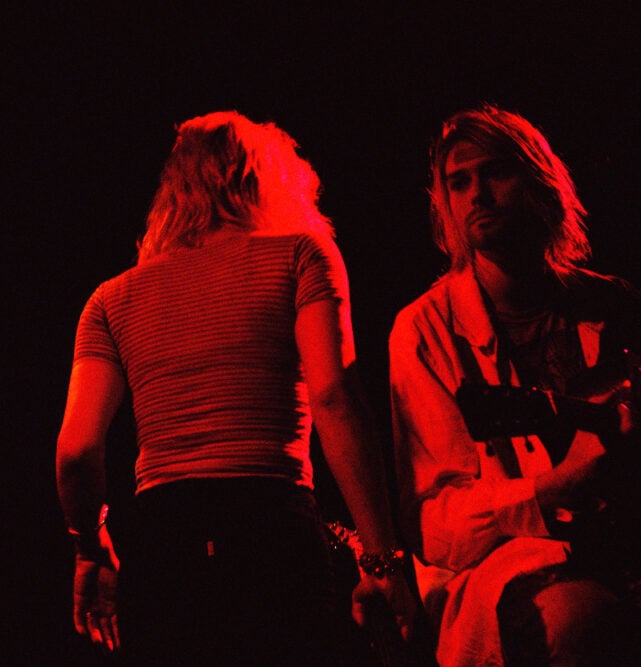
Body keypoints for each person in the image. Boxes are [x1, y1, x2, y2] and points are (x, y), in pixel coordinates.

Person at [388, 105, 641, 666]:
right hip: (518, 568)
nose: (477, 195)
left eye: (495, 173)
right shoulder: (426, 330)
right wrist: (549, 490)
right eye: (458, 183)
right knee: (582, 620)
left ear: (538, 181)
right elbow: (435, 523)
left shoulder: (599, 298)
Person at [56, 111, 416, 665]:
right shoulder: (300, 256)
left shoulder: (110, 299)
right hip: (270, 521)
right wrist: (382, 561)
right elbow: (335, 398)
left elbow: (77, 452)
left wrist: (90, 549)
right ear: (271, 180)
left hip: (161, 538)